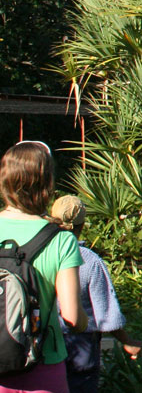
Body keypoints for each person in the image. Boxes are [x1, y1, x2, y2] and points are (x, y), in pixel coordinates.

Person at [0, 142, 86, 393]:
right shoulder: (61, 240)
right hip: (42, 361)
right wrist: (85, 323)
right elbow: (71, 317)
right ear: (47, 184)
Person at [50, 196, 142, 393]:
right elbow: (107, 315)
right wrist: (127, 341)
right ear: (82, 225)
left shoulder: (41, 253)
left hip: (46, 342)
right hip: (81, 344)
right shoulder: (91, 261)